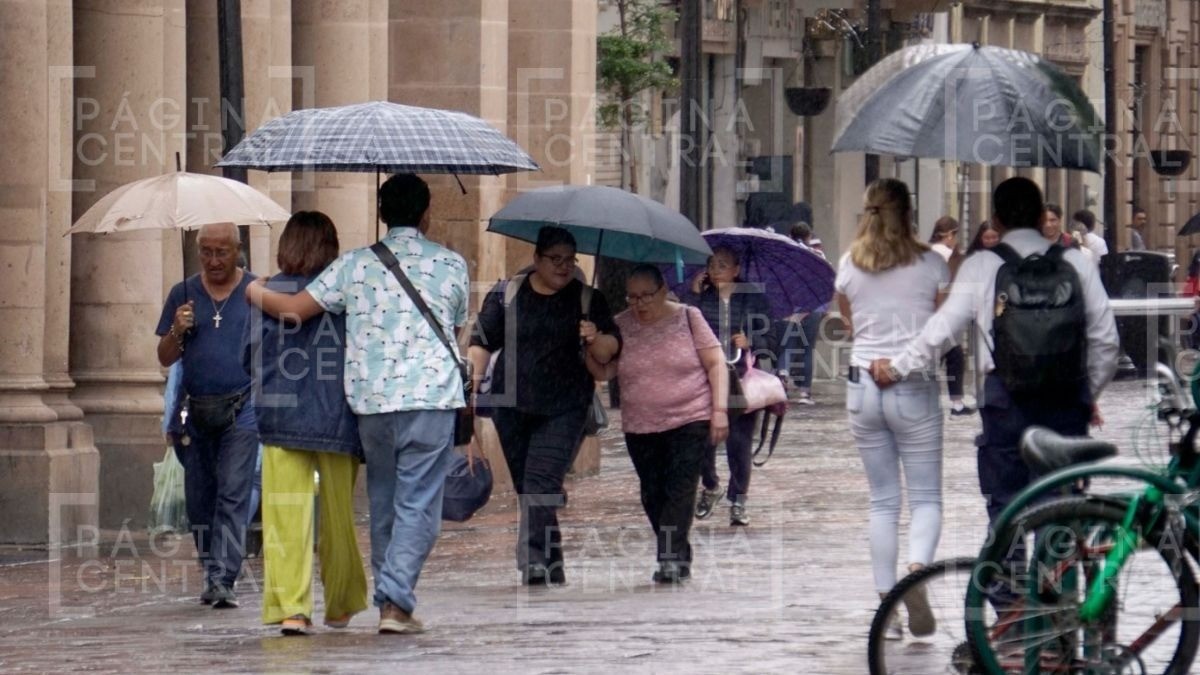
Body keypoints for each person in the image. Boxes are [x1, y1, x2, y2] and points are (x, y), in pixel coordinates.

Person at [246, 174, 468, 635]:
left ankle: (389, 598)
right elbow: (457, 324)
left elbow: (294, 311)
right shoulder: (451, 264)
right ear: (427, 213)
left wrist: (251, 290)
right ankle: (396, 601)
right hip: (430, 399)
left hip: (372, 403)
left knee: (385, 504)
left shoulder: (353, 265)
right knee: (420, 505)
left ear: (381, 213)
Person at [870, 177, 1119, 527]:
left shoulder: (982, 265)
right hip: (1065, 399)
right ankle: (1056, 574)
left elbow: (942, 331)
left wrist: (896, 368)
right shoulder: (1076, 263)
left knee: (1006, 505)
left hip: (1005, 402)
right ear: (1040, 217)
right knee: (1063, 504)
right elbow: (1107, 340)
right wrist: (1085, 392)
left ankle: (1006, 577)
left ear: (997, 221)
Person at [468, 226, 621, 586]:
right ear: (536, 259)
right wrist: (471, 386)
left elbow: (611, 351)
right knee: (531, 488)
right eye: (556, 259)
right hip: (512, 407)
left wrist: (594, 336)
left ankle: (534, 562)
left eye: (570, 260)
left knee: (540, 482)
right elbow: (481, 342)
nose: (564, 267)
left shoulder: (588, 299)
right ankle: (552, 561)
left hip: (565, 407)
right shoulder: (508, 294)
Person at [242, 211, 368, 635]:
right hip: (336, 417)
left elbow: (248, 357)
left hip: (280, 416)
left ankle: (292, 608)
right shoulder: (344, 296)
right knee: (338, 518)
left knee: (285, 517)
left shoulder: (263, 294)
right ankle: (341, 603)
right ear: (330, 247)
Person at [835, 179, 947, 640]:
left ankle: (887, 604)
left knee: (882, 500)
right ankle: (916, 572)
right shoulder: (931, 263)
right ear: (910, 212)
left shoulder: (848, 263)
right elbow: (942, 326)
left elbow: (848, 320)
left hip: (862, 387)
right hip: (912, 385)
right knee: (925, 497)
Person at [591, 264, 728, 583]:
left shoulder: (688, 317)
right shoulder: (620, 325)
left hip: (689, 417)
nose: (639, 304)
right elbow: (604, 372)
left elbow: (716, 363)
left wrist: (719, 410)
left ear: (663, 291)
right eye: (632, 297)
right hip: (640, 425)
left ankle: (668, 557)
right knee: (652, 494)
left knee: (680, 489)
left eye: (646, 296)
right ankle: (678, 553)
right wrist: (590, 344)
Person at [155, 222, 259, 609]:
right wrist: (177, 331)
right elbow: (165, 357)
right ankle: (209, 564)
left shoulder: (255, 291)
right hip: (195, 410)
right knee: (201, 499)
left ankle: (222, 578)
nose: (214, 260)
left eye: (222, 252)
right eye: (207, 252)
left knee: (233, 493)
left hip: (243, 409)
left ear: (238, 250)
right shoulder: (182, 294)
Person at [685, 246, 776, 526]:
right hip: (706, 377)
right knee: (702, 438)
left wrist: (751, 343)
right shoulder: (701, 298)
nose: (715, 270)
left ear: (736, 270)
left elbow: (771, 338)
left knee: (739, 442)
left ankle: (738, 499)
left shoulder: (753, 298)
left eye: (722, 265)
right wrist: (693, 296)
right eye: (711, 265)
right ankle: (711, 485)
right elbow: (684, 328)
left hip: (740, 377)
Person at [775, 221, 828, 404]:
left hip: (789, 308)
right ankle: (805, 393)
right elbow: (826, 281)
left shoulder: (784, 255)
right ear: (809, 237)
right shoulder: (817, 255)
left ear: (790, 235)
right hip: (812, 308)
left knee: (787, 346)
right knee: (807, 349)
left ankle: (782, 380)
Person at [928, 217, 972, 416]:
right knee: (949, 357)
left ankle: (956, 403)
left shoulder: (926, 252)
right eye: (955, 235)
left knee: (952, 356)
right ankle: (955, 404)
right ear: (949, 235)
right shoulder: (946, 254)